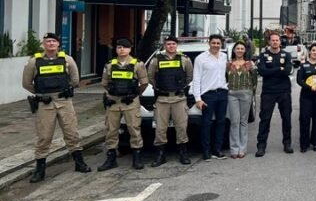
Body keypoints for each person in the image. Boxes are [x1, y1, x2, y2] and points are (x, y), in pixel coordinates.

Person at [22, 33, 91, 182]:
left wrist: (65, 90)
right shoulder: (34, 62)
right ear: (43, 44)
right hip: (45, 103)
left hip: (64, 101)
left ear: (58, 44)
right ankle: (40, 170)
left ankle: (80, 163)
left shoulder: (67, 60)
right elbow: (26, 83)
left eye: (54, 41)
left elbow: (75, 79)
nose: (51, 44)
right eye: (48, 41)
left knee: (72, 133)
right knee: (44, 136)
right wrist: (40, 93)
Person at [98, 38, 149, 171]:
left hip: (130, 103)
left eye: (125, 47)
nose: (122, 50)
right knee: (111, 130)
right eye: (119, 47)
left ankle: (137, 158)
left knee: (134, 129)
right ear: (116, 49)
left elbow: (144, 82)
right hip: (113, 102)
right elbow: (104, 83)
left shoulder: (137, 64)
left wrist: (134, 94)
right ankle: (111, 158)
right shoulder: (109, 65)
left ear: (130, 49)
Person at [147, 36, 193, 167]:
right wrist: (160, 87)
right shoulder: (157, 60)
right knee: (160, 128)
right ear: (164, 45)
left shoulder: (184, 59)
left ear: (176, 45)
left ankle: (183, 153)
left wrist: (180, 87)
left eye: (173, 44)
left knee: (181, 127)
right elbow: (151, 77)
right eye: (168, 44)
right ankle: (160, 155)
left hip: (179, 99)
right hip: (162, 99)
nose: (171, 46)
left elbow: (189, 76)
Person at [256, 32, 295, 156]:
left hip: (284, 91)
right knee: (265, 119)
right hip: (268, 91)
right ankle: (261, 146)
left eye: (277, 40)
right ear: (269, 42)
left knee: (286, 118)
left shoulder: (286, 55)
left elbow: (288, 70)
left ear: (280, 42)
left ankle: (287, 143)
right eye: (272, 40)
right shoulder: (263, 56)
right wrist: (279, 69)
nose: (275, 42)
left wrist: (271, 71)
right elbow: (262, 71)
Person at [192, 34, 230, 161]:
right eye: (213, 43)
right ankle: (206, 151)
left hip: (222, 93)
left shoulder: (224, 57)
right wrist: (198, 98)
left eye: (218, 43)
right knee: (206, 123)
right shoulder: (201, 59)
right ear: (209, 43)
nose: (216, 45)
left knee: (221, 122)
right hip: (208, 95)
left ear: (221, 44)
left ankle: (217, 150)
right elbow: (196, 79)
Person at [227, 41, 258, 158]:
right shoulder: (229, 64)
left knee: (243, 121)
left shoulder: (250, 64)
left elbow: (254, 80)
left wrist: (251, 91)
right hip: (232, 94)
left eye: (242, 48)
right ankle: (234, 149)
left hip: (246, 93)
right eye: (237, 48)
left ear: (245, 51)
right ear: (234, 50)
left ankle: (242, 148)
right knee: (234, 121)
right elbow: (225, 78)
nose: (239, 50)